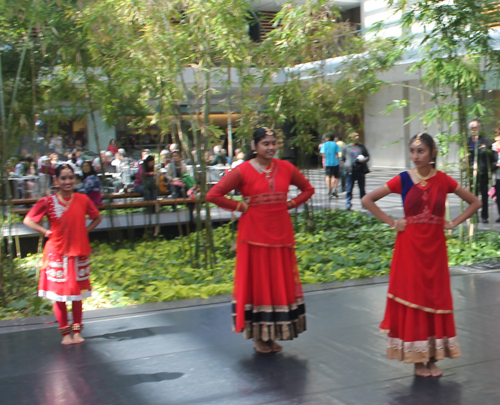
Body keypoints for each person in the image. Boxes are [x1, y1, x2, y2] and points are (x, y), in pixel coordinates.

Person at [361, 133, 481, 377]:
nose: (415, 156)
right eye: (413, 151)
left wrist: (453, 222)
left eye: (421, 151)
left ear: (433, 153)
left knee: (435, 298)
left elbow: (475, 202)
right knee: (414, 297)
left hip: (435, 249)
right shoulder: (403, 180)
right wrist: (393, 222)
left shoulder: (444, 180)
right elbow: (367, 199)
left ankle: (433, 358)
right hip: (410, 249)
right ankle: (418, 360)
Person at [206, 127, 314, 354]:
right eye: (266, 143)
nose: (271, 147)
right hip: (253, 237)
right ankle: (259, 338)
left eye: (274, 142)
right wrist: (241, 206)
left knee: (278, 283)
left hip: (281, 235)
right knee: (259, 285)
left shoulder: (286, 167)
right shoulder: (243, 170)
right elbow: (213, 194)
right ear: (254, 146)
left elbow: (307, 189)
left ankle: (273, 334)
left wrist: (290, 204)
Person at [23, 164, 102, 345]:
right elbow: (28, 219)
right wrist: (45, 232)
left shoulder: (82, 199)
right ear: (56, 181)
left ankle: (77, 332)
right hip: (57, 252)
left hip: (78, 251)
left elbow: (97, 217)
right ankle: (65, 333)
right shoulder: (48, 201)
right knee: (58, 295)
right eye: (63, 178)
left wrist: (85, 230)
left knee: (76, 294)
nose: (68, 181)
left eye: (71, 178)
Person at [467, 120, 495, 223]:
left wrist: (479, 150)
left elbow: (485, 151)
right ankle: (473, 216)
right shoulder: (468, 140)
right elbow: (468, 154)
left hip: (483, 171)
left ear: (480, 128)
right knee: (472, 195)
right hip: (472, 172)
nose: (473, 130)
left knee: (484, 195)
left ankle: (484, 216)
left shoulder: (484, 140)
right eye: (471, 128)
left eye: (475, 128)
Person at [342, 132, 370, 210]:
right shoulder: (346, 147)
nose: (357, 137)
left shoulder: (361, 146)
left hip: (360, 170)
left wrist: (364, 160)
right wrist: (345, 166)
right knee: (349, 188)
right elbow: (342, 159)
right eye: (355, 136)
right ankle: (348, 204)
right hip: (350, 171)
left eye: (357, 136)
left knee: (362, 189)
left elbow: (367, 156)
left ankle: (364, 203)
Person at [320, 133, 341, 197]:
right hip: (335, 162)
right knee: (336, 176)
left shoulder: (324, 145)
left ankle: (329, 189)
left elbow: (322, 154)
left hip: (327, 163)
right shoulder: (335, 144)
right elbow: (338, 153)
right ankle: (335, 189)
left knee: (328, 176)